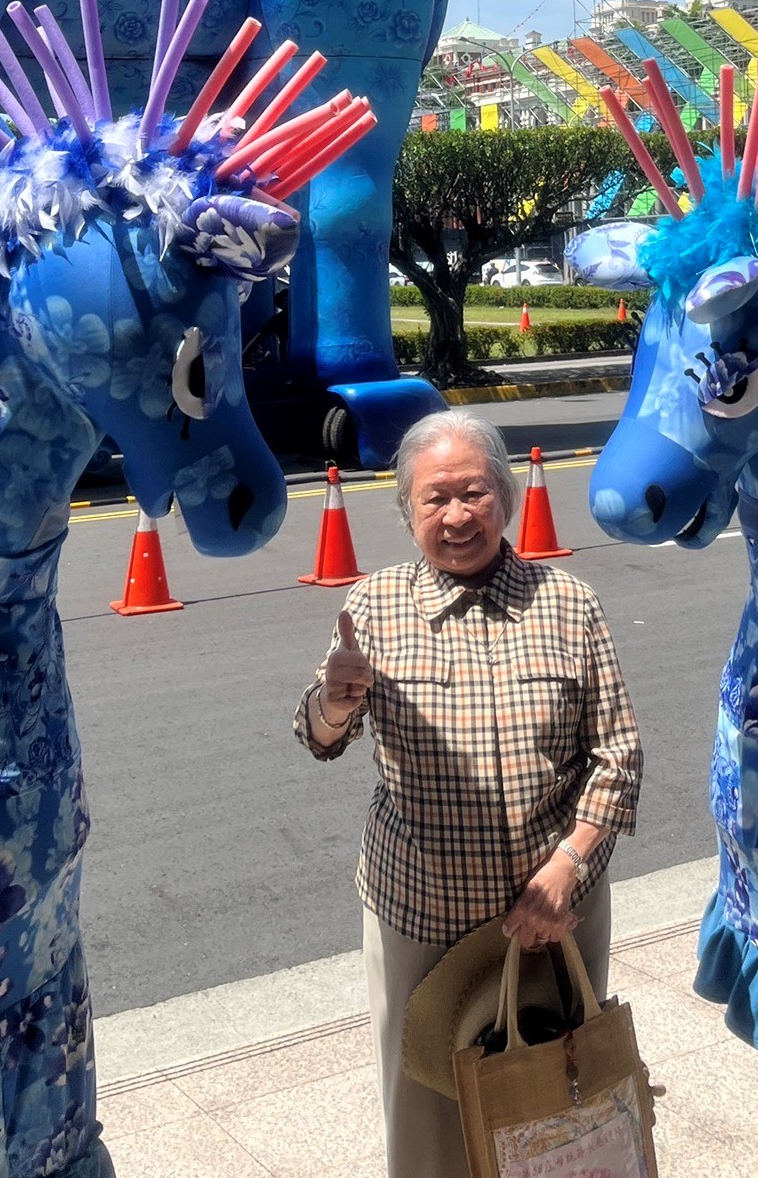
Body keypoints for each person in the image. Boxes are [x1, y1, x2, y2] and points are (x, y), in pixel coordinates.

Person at [296, 412, 643, 1178]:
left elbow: (617, 756)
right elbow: (319, 735)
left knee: (555, 1096)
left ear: (507, 496)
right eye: (434, 499)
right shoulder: (375, 605)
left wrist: (568, 867)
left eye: (474, 492)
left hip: (552, 910)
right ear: (408, 511)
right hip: (420, 913)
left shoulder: (569, 602)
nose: (456, 515)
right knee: (425, 1110)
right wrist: (336, 699)